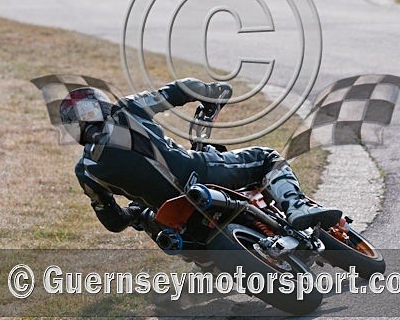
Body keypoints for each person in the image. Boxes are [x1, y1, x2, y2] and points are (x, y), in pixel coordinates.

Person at [59, 78, 341, 233]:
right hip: (198, 174)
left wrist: (133, 214)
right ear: (101, 106)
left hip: (171, 218)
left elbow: (113, 222)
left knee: (156, 225)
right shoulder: (126, 111)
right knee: (267, 157)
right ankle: (298, 208)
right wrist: (211, 93)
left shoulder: (85, 171)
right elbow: (181, 89)